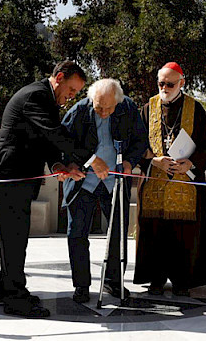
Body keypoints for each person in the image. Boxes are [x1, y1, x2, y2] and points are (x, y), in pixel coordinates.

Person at [0, 60, 109, 317]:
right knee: (14, 237)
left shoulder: (47, 99)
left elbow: (45, 141)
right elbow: (54, 133)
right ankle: (14, 298)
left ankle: (7, 286)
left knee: (16, 236)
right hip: (10, 174)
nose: (72, 97)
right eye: (72, 90)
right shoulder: (36, 96)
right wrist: (90, 159)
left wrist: (58, 164)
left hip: (22, 175)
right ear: (60, 77)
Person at [61, 78, 148, 303]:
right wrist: (82, 163)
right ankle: (81, 285)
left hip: (115, 183)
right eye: (99, 107)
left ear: (118, 102)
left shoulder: (128, 108)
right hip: (83, 183)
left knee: (118, 234)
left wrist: (129, 162)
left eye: (109, 108)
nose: (103, 112)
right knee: (77, 234)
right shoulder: (78, 111)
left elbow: (140, 141)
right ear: (92, 100)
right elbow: (64, 144)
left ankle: (114, 282)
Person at [133, 62, 206, 296]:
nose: (164, 87)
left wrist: (191, 163)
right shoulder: (147, 108)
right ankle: (155, 280)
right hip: (154, 184)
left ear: (182, 83)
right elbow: (136, 144)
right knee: (154, 232)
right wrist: (151, 161)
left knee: (183, 234)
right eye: (161, 83)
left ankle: (183, 281)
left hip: (184, 184)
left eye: (170, 84)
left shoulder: (195, 109)